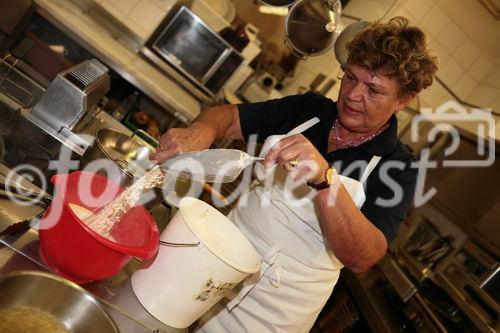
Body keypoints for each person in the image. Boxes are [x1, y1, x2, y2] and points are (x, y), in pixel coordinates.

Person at [151, 16, 438, 333]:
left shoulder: (398, 167)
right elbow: (228, 116)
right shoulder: (309, 110)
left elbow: (363, 256)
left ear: (404, 99)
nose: (354, 95)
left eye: (373, 90)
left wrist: (325, 181)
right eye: (350, 78)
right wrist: (200, 132)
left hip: (270, 315)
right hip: (212, 264)